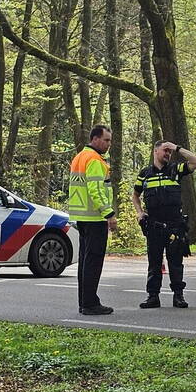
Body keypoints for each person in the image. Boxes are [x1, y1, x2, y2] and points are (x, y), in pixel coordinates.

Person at [132, 140, 196, 308]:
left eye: (169, 152)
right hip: (154, 225)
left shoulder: (175, 170)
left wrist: (177, 148)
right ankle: (153, 296)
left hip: (174, 224)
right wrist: (140, 212)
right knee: (154, 262)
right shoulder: (145, 174)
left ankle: (178, 296)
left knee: (176, 262)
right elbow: (135, 195)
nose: (168, 154)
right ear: (155, 151)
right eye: (165, 150)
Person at [67, 125, 117, 315]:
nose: (108, 144)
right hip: (94, 217)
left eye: (110, 140)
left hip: (81, 216)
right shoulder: (95, 160)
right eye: (106, 140)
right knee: (93, 262)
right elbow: (96, 191)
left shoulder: (79, 157)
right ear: (95, 139)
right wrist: (109, 214)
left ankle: (85, 300)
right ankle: (90, 303)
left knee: (85, 261)